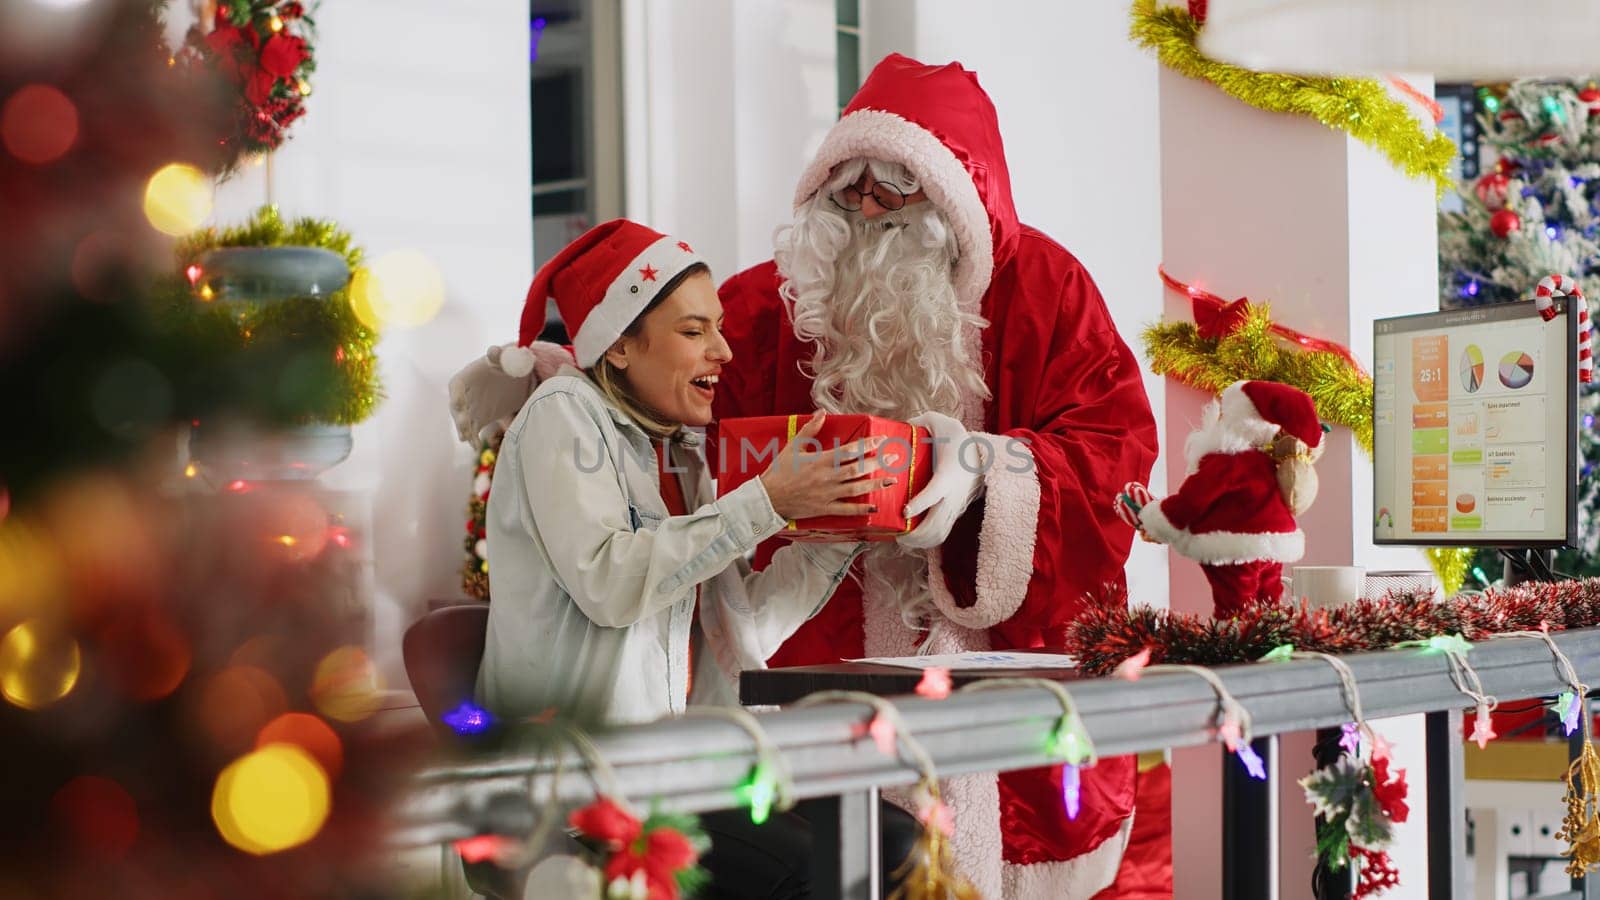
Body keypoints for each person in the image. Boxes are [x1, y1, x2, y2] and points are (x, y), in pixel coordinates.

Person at [448, 54, 1164, 900]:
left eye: (894, 184)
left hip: (732, 741)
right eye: (846, 182)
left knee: (889, 852)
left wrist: (971, 476)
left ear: (953, 201)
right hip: (609, 778)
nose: (863, 204)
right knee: (870, 858)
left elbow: (1114, 449)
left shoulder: (1045, 290)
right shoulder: (615, 402)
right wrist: (773, 500)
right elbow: (626, 579)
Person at [472, 218, 915, 898]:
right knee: (810, 868)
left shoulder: (676, 450)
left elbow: (742, 629)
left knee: (893, 838)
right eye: (693, 331)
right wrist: (765, 500)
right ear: (619, 343)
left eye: (718, 326)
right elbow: (612, 582)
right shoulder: (562, 417)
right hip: (579, 789)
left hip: (683, 768)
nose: (723, 351)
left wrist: (847, 521)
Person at [1129, 380, 1326, 617]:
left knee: (1235, 606)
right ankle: (1275, 642)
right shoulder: (1268, 462)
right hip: (1275, 544)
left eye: (1224, 409)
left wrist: (1156, 520)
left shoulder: (1225, 462)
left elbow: (1191, 500)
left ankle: (1236, 647)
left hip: (1234, 547)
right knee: (1269, 601)